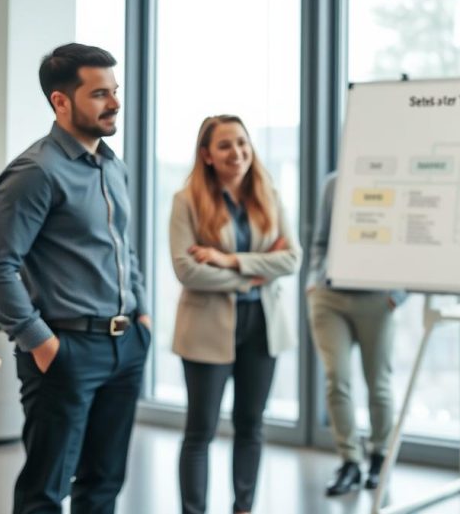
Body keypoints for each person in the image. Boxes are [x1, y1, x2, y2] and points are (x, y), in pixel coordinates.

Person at [0, 43, 152, 513]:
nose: (114, 103)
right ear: (61, 101)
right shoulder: (36, 172)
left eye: (114, 91)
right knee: (46, 493)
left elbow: (123, 247)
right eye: (99, 94)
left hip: (125, 346)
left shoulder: (114, 167)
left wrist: (143, 313)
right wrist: (43, 343)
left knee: (104, 483)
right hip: (67, 351)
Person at [169, 115, 301, 514]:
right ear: (207, 154)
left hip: (262, 326)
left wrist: (228, 260)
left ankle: (243, 507)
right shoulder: (186, 200)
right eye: (225, 145)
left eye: (242, 143)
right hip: (206, 328)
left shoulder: (268, 193)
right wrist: (251, 276)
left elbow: (291, 258)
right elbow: (186, 270)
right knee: (200, 431)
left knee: (251, 425)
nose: (237, 152)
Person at [307, 172, 406, 496]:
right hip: (329, 297)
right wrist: (314, 279)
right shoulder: (334, 183)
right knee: (337, 378)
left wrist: (400, 292)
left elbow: (416, 240)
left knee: (378, 382)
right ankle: (349, 460)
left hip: (378, 300)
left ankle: (379, 457)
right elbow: (320, 240)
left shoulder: (399, 181)